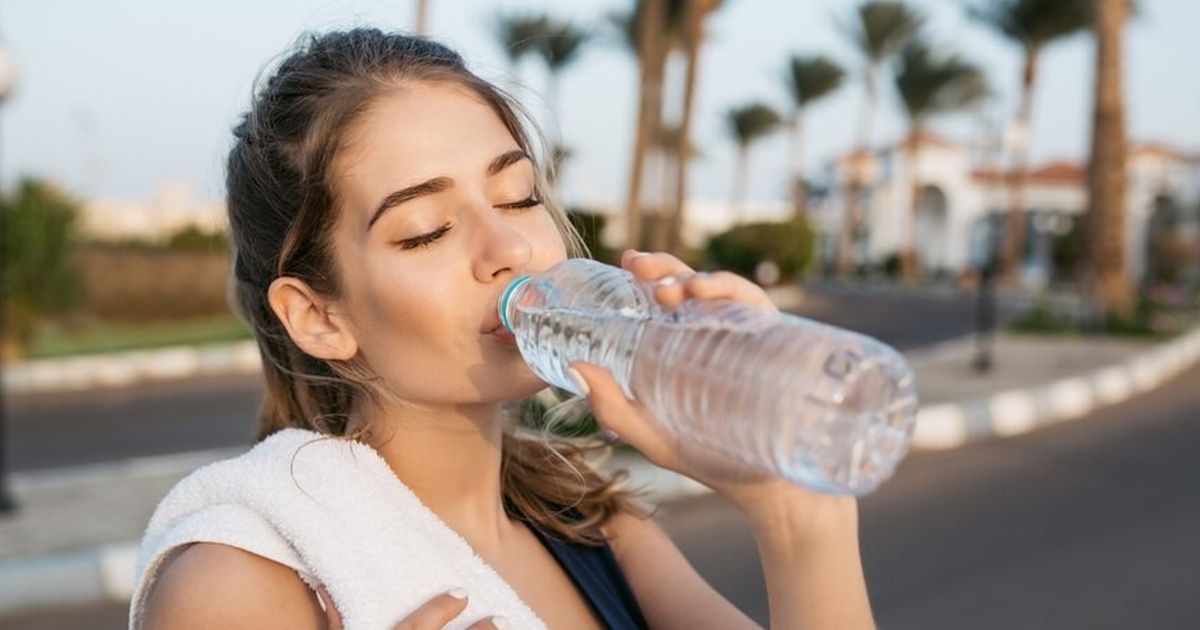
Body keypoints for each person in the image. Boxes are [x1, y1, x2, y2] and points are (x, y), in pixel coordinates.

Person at [134, 28, 875, 629]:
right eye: (425, 231)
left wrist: (795, 510)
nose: (512, 249)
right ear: (319, 317)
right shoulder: (239, 585)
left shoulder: (595, 527)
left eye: (517, 196)